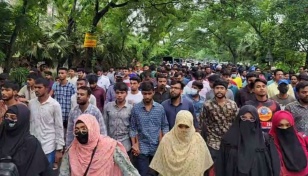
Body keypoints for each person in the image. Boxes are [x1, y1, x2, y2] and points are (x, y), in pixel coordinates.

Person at [59, 114, 140, 176]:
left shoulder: (109, 146)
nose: (80, 132)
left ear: (92, 128)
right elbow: (64, 173)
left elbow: (129, 171)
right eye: (77, 130)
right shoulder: (72, 149)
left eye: (84, 128)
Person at [216, 105, 280, 176]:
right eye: (244, 118)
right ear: (238, 119)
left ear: (256, 121)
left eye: (252, 118)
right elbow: (220, 166)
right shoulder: (228, 141)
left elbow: (274, 164)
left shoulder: (265, 140)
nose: (247, 121)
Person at [149, 110, 213, 176]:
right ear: (176, 124)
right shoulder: (167, 140)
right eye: (180, 126)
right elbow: (157, 165)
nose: (183, 129)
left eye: (187, 126)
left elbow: (205, 165)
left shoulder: (197, 140)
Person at [130, 81, 169, 176]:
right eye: (144, 94)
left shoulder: (160, 108)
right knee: (143, 173)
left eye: (149, 93)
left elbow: (164, 126)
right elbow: (133, 128)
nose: (147, 96)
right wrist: (134, 144)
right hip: (142, 148)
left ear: (153, 92)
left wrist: (163, 142)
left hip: (157, 148)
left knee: (155, 173)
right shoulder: (136, 109)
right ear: (141, 93)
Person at [0, 104, 51, 175]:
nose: (8, 120)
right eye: (6, 116)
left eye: (13, 117)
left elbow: (43, 170)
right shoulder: (2, 136)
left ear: (23, 119)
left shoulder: (31, 143)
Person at [29, 78, 65, 169]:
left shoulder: (54, 105)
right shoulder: (31, 103)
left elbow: (59, 127)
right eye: (35, 87)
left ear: (47, 88)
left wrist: (59, 149)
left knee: (47, 171)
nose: (36, 90)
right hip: (33, 145)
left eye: (39, 87)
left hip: (48, 146)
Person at [200, 79, 238, 164]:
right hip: (213, 140)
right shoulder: (207, 104)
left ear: (226, 90)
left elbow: (236, 122)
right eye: (217, 88)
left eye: (222, 88)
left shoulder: (232, 104)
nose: (219, 90)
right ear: (213, 90)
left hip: (229, 140)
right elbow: (201, 121)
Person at [269, 111, 308, 175]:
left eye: (288, 125)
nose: (285, 128)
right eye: (280, 125)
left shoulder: (301, 138)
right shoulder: (270, 142)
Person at [103, 82, 133, 152]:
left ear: (126, 93)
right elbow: (104, 124)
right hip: (110, 142)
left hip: (125, 142)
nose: (119, 95)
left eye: (122, 93)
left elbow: (132, 127)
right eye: (117, 93)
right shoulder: (108, 106)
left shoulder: (130, 108)